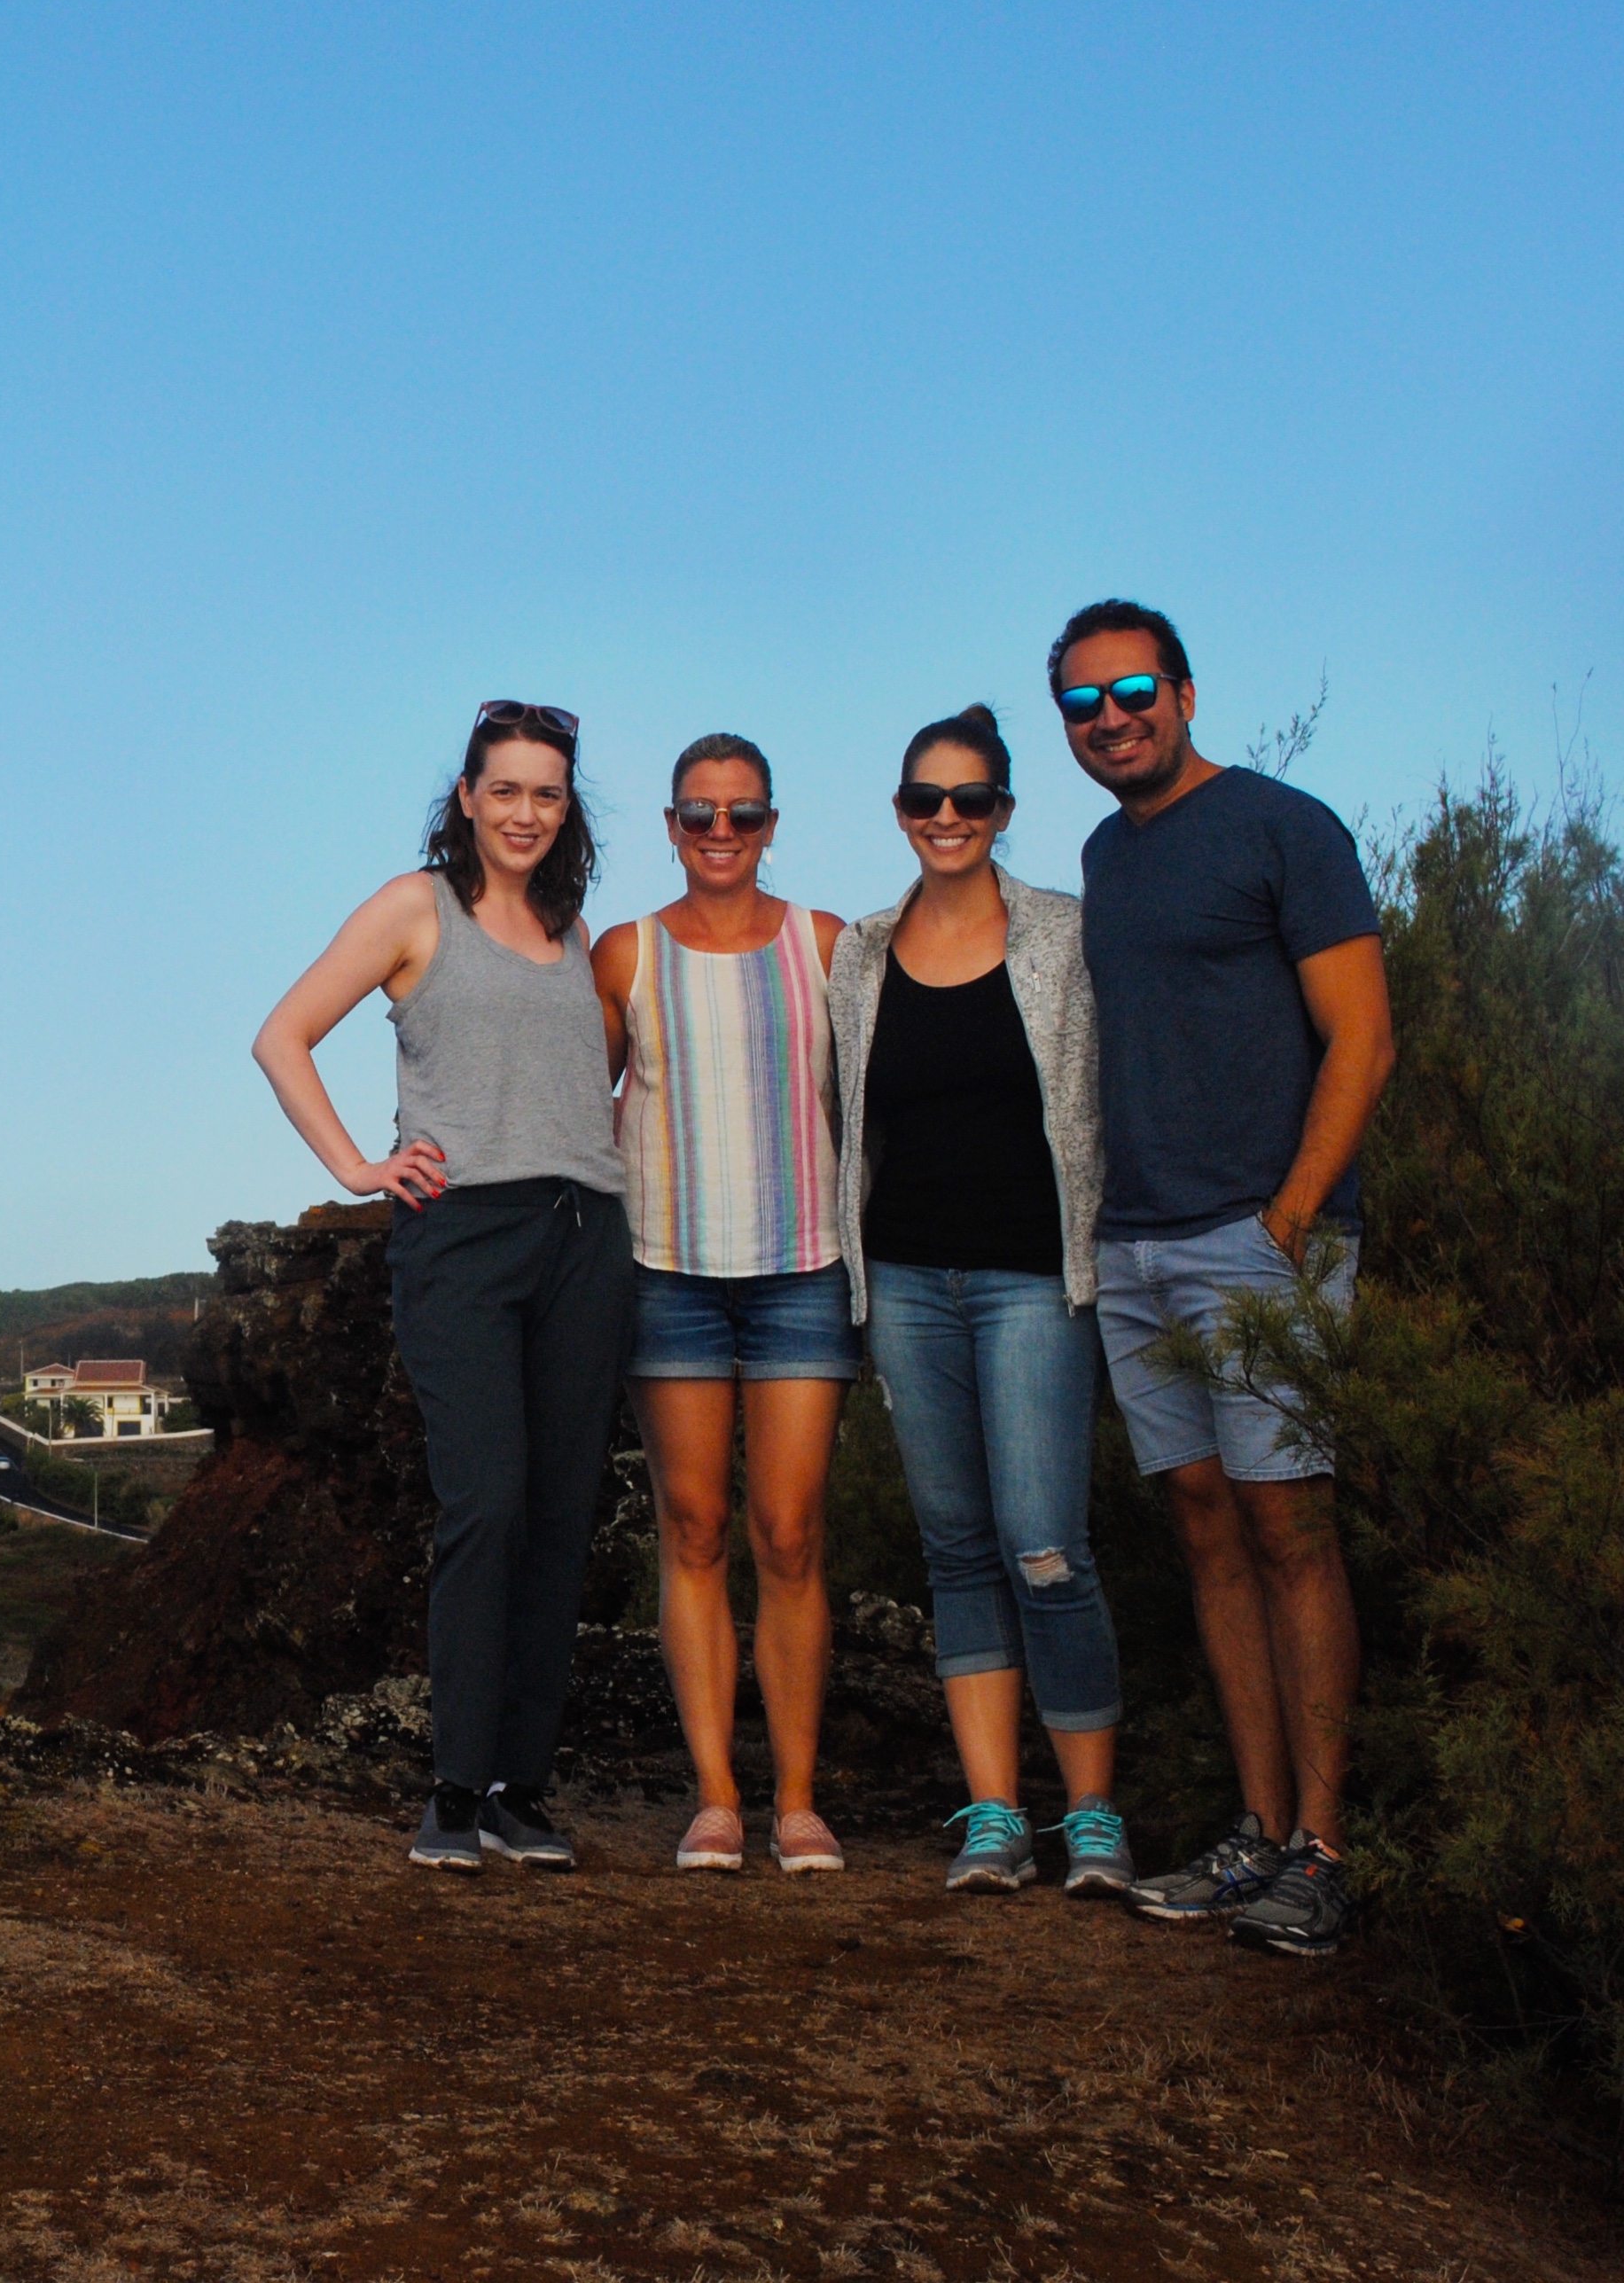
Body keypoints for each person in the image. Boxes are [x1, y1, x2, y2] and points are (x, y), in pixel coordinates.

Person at [1055, 599, 1395, 1959]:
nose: (1112, 717)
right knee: (1206, 1529)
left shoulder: (1283, 826)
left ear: (1185, 694)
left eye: (1133, 689)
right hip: (1135, 1245)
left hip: (1261, 1242)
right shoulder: (1103, 853)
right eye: (1084, 702)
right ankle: (1256, 1834)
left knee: (1290, 1530)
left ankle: (1322, 1851)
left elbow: (1362, 1037)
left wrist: (1295, 1214)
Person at [254, 700, 635, 1873]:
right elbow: (282, 1036)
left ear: (567, 810)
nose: (526, 812)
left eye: (548, 794)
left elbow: (599, 1085)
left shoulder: (576, 932)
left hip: (588, 1236)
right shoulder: (416, 907)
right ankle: (456, 1790)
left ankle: (524, 1790)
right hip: (463, 1236)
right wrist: (361, 1169)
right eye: (506, 789)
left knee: (565, 1516)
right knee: (489, 1503)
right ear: (467, 797)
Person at [824, 704, 1131, 1898]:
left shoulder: (1067, 934)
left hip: (1035, 1282)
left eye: (972, 801)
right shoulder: (860, 949)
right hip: (905, 1280)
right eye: (925, 801)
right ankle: (996, 1816)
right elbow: (846, 1113)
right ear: (901, 811)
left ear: (1005, 812)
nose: (946, 819)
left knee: (1046, 1548)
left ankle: (1093, 1816)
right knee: (957, 1551)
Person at [593, 735, 853, 1875]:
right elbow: (576, 1107)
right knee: (691, 1533)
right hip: (667, 1276)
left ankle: (796, 1801)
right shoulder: (624, 954)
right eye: (697, 815)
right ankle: (713, 1796)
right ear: (666, 824)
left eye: (740, 816)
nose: (718, 835)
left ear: (770, 823)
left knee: (787, 1535)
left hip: (803, 1270)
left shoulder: (827, 947)